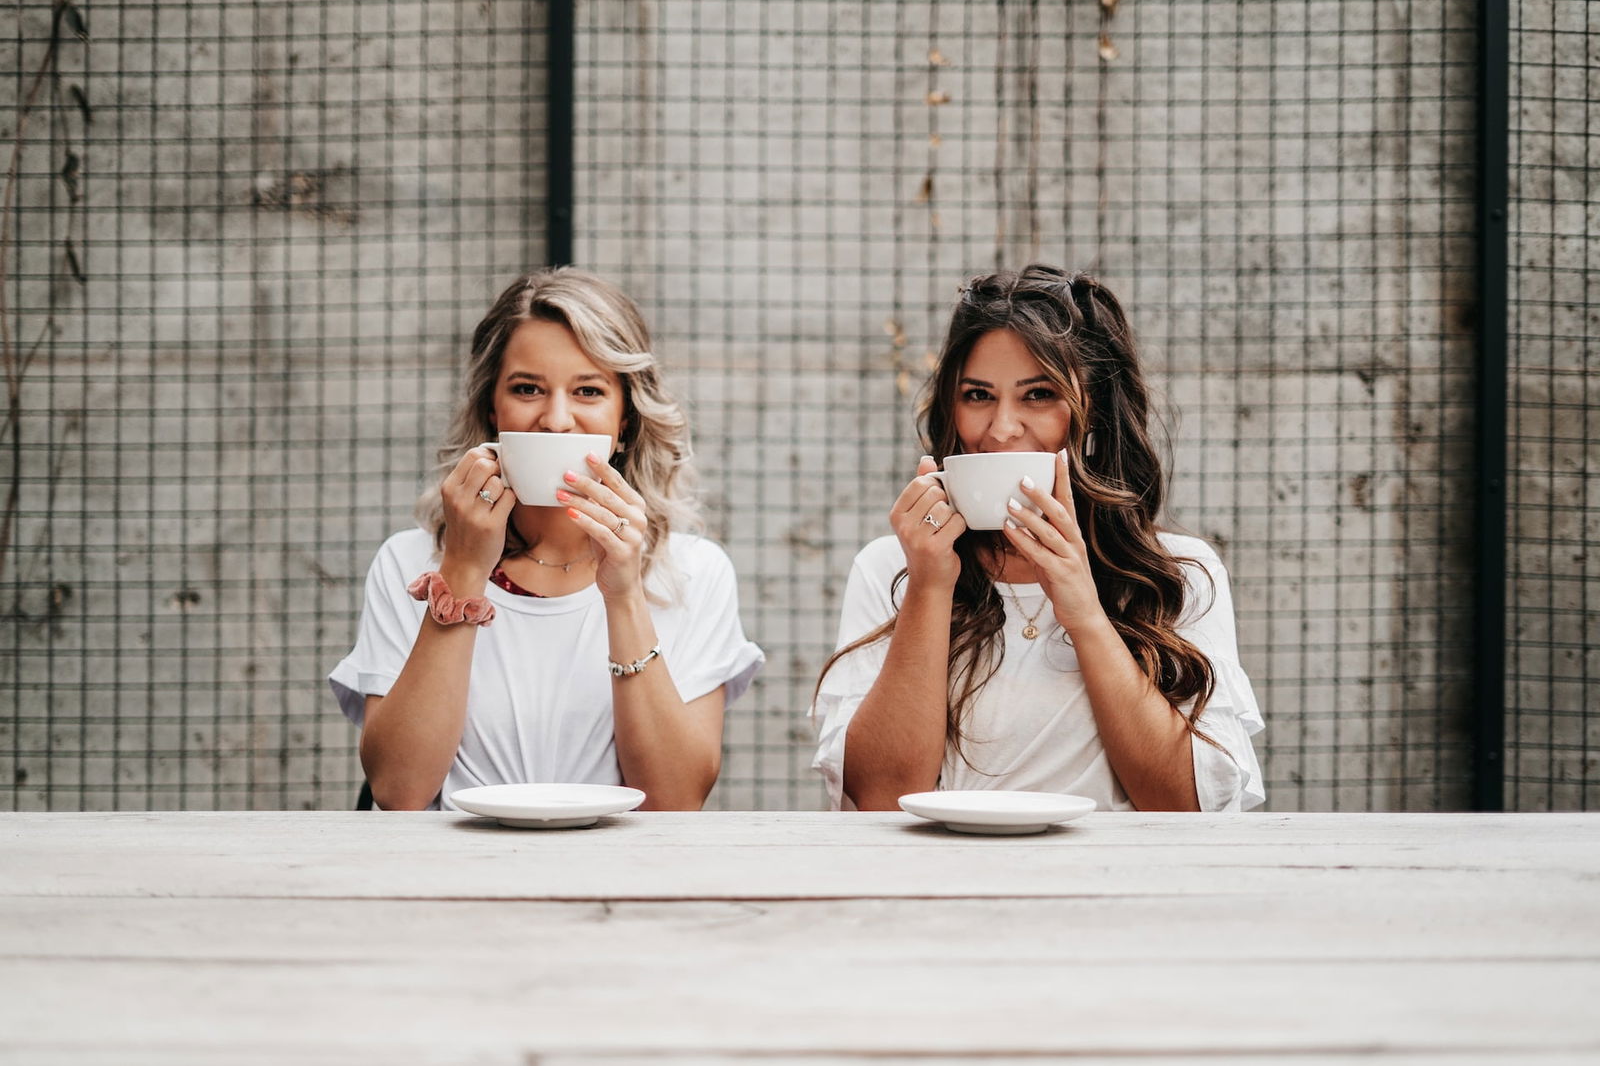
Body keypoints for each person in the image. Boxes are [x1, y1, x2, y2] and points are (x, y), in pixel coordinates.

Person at [811, 265, 1263, 812]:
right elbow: (881, 796)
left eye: (1038, 395)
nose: (1001, 428)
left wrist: (1084, 610)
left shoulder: (1181, 570)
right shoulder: (892, 566)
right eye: (978, 395)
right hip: (941, 883)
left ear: (1093, 410)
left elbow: (1187, 804)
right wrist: (929, 585)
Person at [331, 268, 764, 810]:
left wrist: (624, 593)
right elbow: (398, 791)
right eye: (528, 389)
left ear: (625, 418)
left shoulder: (694, 572)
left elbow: (675, 801)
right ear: (494, 409)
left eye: (588, 390)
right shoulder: (410, 562)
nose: (556, 421)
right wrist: (463, 569)